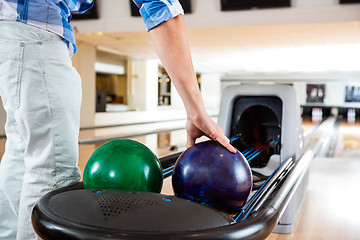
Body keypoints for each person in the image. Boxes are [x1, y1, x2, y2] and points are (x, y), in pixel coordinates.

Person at [0, 0, 235, 239]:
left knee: (20, 155)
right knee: (51, 172)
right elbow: (163, 10)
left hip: (12, 32)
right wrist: (196, 110)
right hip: (35, 34)